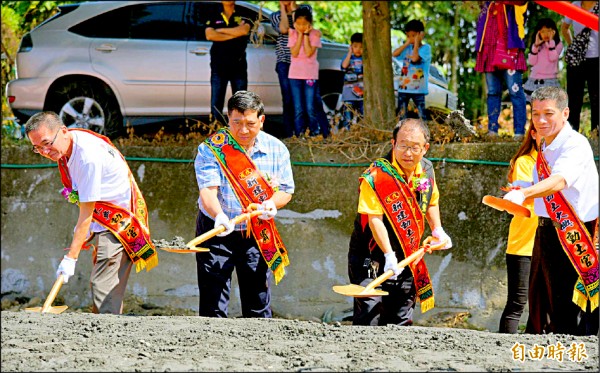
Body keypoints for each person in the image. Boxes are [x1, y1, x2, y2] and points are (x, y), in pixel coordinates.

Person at [25, 112, 159, 314]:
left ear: (62, 131)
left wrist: (71, 258)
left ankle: (108, 335)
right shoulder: (69, 142)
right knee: (102, 283)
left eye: (46, 143)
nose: (44, 151)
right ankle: (103, 327)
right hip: (102, 213)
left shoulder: (87, 158)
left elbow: (85, 215)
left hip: (119, 220)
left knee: (102, 285)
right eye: (37, 148)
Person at [503, 86, 599, 336]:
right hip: (545, 231)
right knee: (539, 303)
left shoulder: (575, 144)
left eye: (548, 113)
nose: (541, 120)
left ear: (565, 113)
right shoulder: (545, 145)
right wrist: (522, 186)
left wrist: (524, 194)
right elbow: (546, 186)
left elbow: (559, 181)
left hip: (573, 234)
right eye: (535, 114)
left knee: (567, 309)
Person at [193, 90, 295, 318]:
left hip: (256, 232)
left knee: (258, 299)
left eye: (250, 123)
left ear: (262, 120)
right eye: (236, 122)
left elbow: (286, 190)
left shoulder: (277, 149)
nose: (243, 130)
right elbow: (208, 191)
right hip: (217, 229)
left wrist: (271, 204)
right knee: (213, 303)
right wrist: (218, 215)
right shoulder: (212, 149)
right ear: (228, 119)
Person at [347, 118, 453, 326]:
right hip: (372, 256)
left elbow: (431, 201)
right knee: (370, 310)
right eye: (403, 146)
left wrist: (438, 229)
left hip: (408, 254)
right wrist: (388, 254)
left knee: (401, 314)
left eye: (415, 148)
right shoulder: (377, 176)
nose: (408, 153)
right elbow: (374, 219)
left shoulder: (427, 170)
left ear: (425, 148)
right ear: (393, 144)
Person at [498, 123, 539, 333]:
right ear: (533, 134)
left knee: (540, 306)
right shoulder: (524, 162)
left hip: (547, 245)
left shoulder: (558, 162)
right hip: (523, 245)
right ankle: (502, 352)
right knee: (517, 304)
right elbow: (524, 202)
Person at [475, 1, 529, 139]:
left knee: (515, 91)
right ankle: (492, 130)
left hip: (510, 50)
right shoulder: (487, 5)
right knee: (492, 92)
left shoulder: (514, 3)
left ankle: (519, 132)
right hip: (489, 50)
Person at [270, 1, 312, 139]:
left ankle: (304, 132)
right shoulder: (275, 16)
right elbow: (284, 29)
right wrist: (283, 8)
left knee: (303, 97)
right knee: (288, 98)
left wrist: (293, 7)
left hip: (302, 61)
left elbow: (298, 27)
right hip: (285, 62)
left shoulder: (305, 9)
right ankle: (290, 134)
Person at [205, 1, 252, 125]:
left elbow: (244, 31)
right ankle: (217, 134)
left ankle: (239, 133)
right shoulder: (214, 12)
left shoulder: (243, 12)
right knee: (216, 104)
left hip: (239, 65)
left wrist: (220, 31)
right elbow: (209, 35)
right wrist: (234, 32)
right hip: (219, 65)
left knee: (241, 103)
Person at [288, 6, 329, 138]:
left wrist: (305, 34)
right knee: (298, 107)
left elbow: (308, 52)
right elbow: (294, 53)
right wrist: (300, 34)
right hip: (294, 75)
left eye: (304, 23)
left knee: (310, 107)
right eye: (298, 24)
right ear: (294, 23)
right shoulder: (292, 33)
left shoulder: (315, 34)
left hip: (310, 75)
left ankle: (314, 133)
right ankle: (299, 134)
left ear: (310, 23)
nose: (301, 26)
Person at [561, 1, 599, 133]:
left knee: (597, 97)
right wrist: (573, 46)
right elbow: (564, 28)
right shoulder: (575, 5)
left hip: (596, 58)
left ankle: (596, 132)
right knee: (574, 97)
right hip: (577, 59)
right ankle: (571, 131)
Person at [392, 20, 432, 121]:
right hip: (404, 88)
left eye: (414, 35)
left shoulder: (426, 48)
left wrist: (417, 43)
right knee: (402, 116)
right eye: (408, 36)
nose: (411, 39)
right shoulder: (407, 48)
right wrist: (406, 44)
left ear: (421, 34)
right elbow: (394, 54)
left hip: (419, 89)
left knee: (421, 116)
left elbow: (414, 58)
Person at [523, 18, 563, 103]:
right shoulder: (536, 46)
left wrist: (551, 44)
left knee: (549, 107)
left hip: (550, 80)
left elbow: (553, 58)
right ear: (538, 32)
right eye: (542, 31)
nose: (546, 34)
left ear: (554, 31)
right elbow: (531, 62)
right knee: (535, 107)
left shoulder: (558, 44)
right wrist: (536, 46)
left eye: (548, 31)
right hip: (534, 81)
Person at [340, 32, 364, 129]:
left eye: (361, 47)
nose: (358, 49)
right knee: (348, 116)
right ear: (351, 46)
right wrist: (349, 53)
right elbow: (344, 66)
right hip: (348, 94)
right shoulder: (347, 58)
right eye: (355, 46)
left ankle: (360, 132)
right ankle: (347, 133)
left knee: (362, 116)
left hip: (362, 94)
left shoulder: (365, 59)